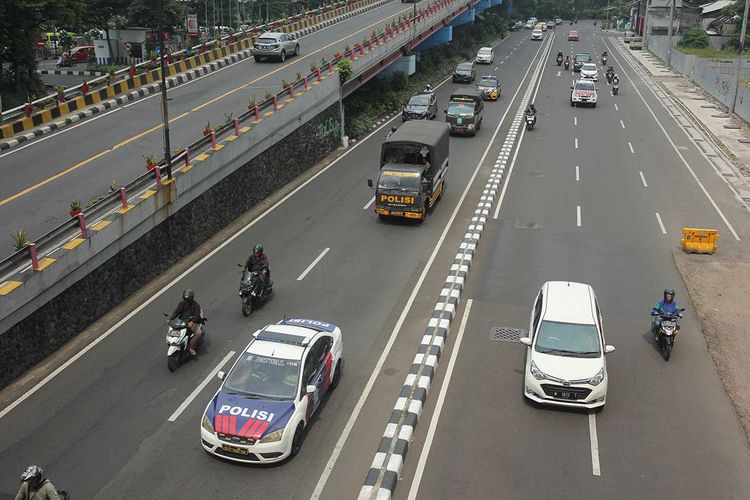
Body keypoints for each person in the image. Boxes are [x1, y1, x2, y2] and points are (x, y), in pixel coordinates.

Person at [167, 289, 204, 356]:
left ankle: (191, 348)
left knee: (198, 333)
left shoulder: (196, 305)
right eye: (185, 299)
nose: (186, 301)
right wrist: (170, 319)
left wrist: (192, 322)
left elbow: (197, 316)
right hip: (181, 322)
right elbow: (176, 312)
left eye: (188, 300)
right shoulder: (182, 304)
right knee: (172, 329)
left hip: (191, 322)